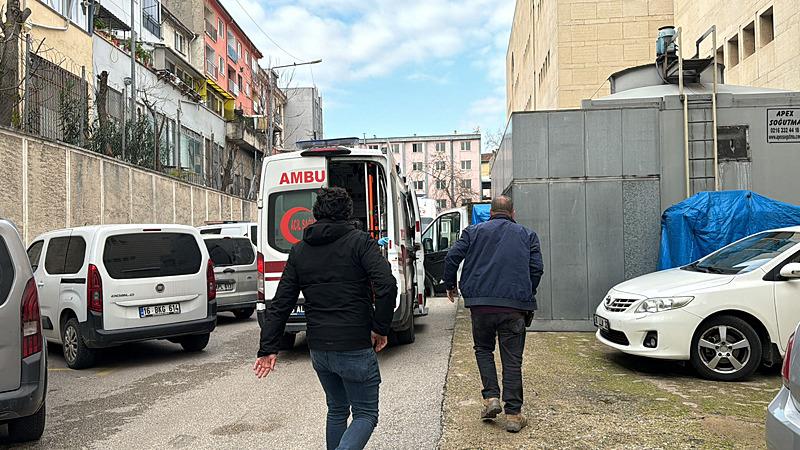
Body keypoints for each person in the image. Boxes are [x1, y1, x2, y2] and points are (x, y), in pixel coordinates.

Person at [254, 187, 398, 450]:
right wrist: (380, 327)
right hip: (354, 343)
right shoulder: (360, 242)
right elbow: (387, 285)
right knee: (365, 413)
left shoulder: (299, 250)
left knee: (337, 409)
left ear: (316, 214)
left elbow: (281, 302)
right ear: (347, 214)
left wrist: (268, 347)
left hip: (319, 347)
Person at [443, 195, 544, 433]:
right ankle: (513, 414)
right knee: (512, 360)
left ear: (490, 213)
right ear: (513, 213)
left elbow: (451, 258)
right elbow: (537, 269)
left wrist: (450, 285)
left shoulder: (473, 232)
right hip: (514, 307)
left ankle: (491, 398)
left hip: (481, 306)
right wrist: (527, 292)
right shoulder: (527, 235)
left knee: (484, 349)